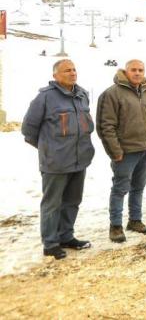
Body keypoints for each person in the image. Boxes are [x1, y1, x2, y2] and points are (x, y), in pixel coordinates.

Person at [22, 59, 95, 259]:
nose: (72, 73)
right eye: (66, 70)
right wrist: (49, 149)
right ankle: (50, 243)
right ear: (55, 75)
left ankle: (66, 236)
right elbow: (28, 129)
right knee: (52, 204)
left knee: (72, 201)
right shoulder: (45, 97)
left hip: (80, 159)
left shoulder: (82, 95)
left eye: (74, 69)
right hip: (55, 162)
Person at [96, 60, 146, 243]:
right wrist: (115, 150)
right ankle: (116, 226)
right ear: (125, 71)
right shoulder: (112, 93)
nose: (137, 73)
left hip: (145, 149)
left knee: (138, 187)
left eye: (141, 70)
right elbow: (106, 125)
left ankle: (135, 220)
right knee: (120, 189)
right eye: (133, 70)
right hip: (125, 151)